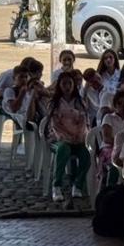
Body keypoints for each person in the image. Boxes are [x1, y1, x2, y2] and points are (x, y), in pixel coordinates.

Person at [47, 71, 91, 203]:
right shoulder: (54, 103)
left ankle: (78, 185)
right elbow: (55, 125)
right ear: (59, 85)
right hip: (59, 138)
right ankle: (57, 186)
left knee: (87, 154)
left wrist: (79, 135)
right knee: (63, 149)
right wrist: (66, 137)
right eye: (64, 83)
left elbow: (84, 122)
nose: (67, 86)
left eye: (70, 83)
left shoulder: (80, 102)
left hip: (78, 138)